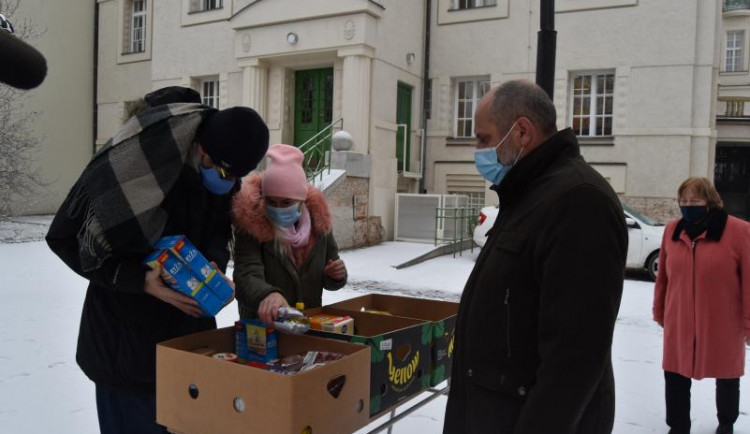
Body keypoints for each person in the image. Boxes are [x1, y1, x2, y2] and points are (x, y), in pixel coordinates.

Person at [46, 102, 269, 433]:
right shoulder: (140, 170)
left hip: (187, 344)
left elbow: (218, 231)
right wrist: (141, 281)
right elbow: (69, 240)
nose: (229, 183)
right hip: (125, 349)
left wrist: (213, 265)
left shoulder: (220, 173)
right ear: (202, 149)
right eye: (224, 173)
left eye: (237, 176)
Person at [443, 80, 628, 434]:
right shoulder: (529, 195)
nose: (477, 149)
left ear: (522, 131)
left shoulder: (578, 201)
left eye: (483, 138)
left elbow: (573, 361)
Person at [653, 177, 750, 434]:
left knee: (727, 375)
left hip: (723, 322)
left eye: (694, 201)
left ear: (710, 202)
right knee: (674, 374)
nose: (687, 206)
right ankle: (678, 425)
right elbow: (663, 277)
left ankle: (726, 423)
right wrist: (659, 310)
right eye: (683, 201)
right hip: (679, 318)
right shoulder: (672, 230)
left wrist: (748, 324)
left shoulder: (738, 231)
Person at [232, 143, 347, 324]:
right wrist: (268, 295)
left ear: (301, 200)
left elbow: (330, 274)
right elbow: (246, 275)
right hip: (262, 331)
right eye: (271, 201)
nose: (278, 208)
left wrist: (335, 275)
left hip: (306, 325)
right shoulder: (251, 226)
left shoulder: (320, 225)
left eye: (286, 202)